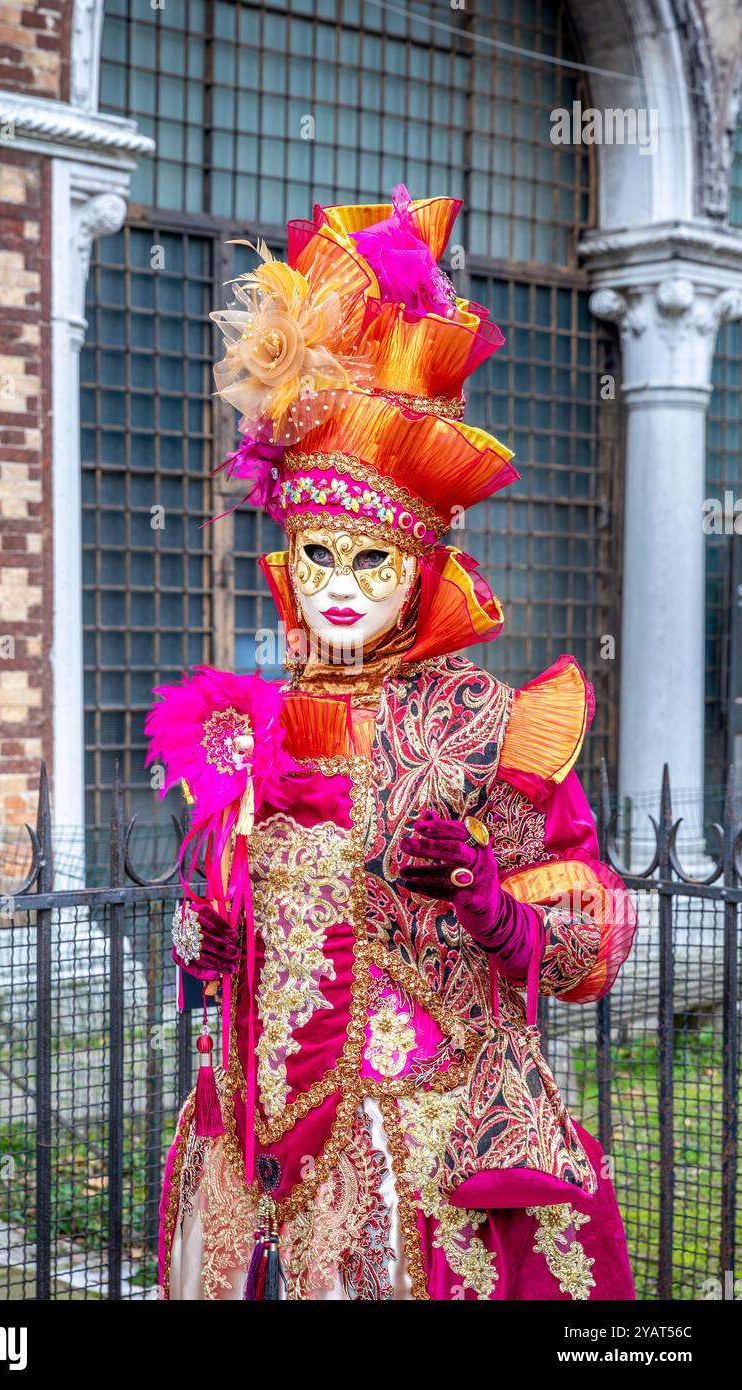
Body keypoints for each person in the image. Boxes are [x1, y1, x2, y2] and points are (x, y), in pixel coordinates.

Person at [154, 188, 637, 1301]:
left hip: (414, 1145)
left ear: (418, 569)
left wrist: (493, 907)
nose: (335, 586)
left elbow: (587, 938)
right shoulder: (256, 728)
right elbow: (221, 916)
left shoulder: (482, 724)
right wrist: (204, 935)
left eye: (367, 561)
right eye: (317, 554)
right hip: (247, 1144)